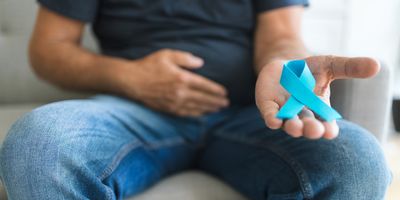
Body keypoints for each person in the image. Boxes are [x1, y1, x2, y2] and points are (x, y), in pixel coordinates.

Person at [0, 0, 392, 199]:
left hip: (248, 115)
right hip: (131, 112)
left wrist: (282, 66)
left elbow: (280, 35)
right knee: (39, 143)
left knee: (357, 160)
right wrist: (129, 77)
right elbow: (49, 51)